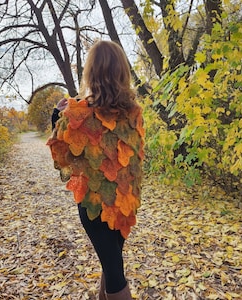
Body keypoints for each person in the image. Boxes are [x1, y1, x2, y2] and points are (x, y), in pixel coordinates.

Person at [47, 40, 145, 300]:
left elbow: (63, 156)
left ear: (91, 73)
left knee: (113, 270)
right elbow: (134, 158)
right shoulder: (134, 112)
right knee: (112, 264)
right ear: (121, 71)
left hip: (94, 204)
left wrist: (57, 119)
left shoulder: (77, 114)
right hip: (126, 200)